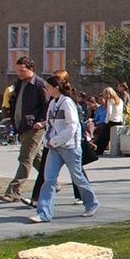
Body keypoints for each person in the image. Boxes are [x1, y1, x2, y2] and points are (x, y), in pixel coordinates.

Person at [29, 71, 98, 223]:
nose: (46, 89)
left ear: (56, 87)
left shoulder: (67, 103)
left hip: (70, 147)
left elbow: (72, 126)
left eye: (48, 87)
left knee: (77, 177)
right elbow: (51, 125)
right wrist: (47, 139)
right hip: (54, 148)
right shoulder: (52, 103)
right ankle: (43, 213)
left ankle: (91, 203)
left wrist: (55, 140)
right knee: (49, 179)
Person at [0, 57, 48, 203]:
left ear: (31, 69)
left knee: (25, 157)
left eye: (22, 70)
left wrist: (42, 122)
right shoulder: (20, 83)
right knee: (36, 158)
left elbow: (47, 105)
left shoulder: (39, 84)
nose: (19, 73)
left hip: (35, 127)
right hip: (22, 125)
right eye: (17, 70)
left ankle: (13, 192)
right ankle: (51, 181)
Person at [95, 86, 124, 155]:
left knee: (103, 136)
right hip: (119, 120)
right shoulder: (120, 100)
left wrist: (106, 121)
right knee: (105, 135)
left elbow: (109, 112)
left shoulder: (110, 101)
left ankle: (99, 150)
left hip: (112, 121)